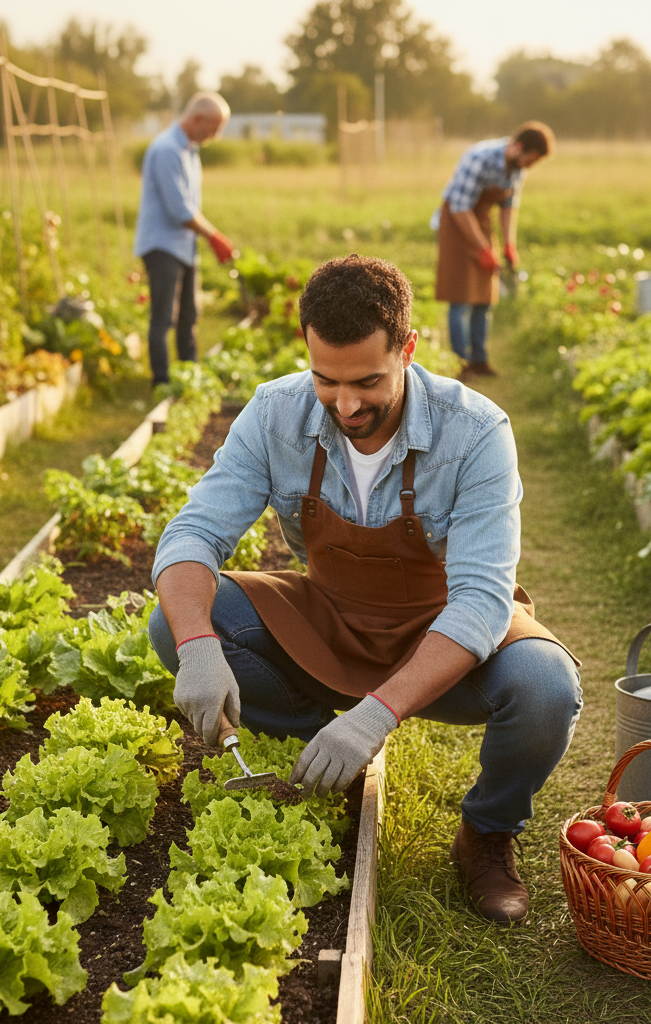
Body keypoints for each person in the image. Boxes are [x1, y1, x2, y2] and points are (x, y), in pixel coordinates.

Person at [148, 254, 581, 926]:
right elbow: (193, 535)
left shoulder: (475, 433)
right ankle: (321, 753)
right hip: (332, 621)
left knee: (546, 687)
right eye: (327, 380)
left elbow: (480, 604)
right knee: (174, 624)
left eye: (368, 382)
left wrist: (379, 715)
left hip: (442, 636)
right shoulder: (275, 414)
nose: (346, 404)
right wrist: (199, 645)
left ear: (408, 348)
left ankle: (488, 835)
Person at [434, 121, 555, 377]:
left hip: (482, 222)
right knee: (461, 298)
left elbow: (509, 206)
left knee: (484, 298)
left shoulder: (516, 168)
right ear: (518, 147)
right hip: (457, 224)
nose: (528, 167)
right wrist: (482, 248)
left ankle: (480, 360)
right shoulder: (479, 158)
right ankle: (460, 363)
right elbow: (459, 207)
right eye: (529, 160)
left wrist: (509, 245)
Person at [133, 91, 237, 387]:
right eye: (214, 128)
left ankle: (188, 375)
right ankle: (162, 381)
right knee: (164, 316)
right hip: (162, 244)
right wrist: (214, 236)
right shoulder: (167, 150)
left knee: (190, 315)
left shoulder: (189, 150)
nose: (215, 136)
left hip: (183, 245)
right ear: (197, 119)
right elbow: (179, 209)